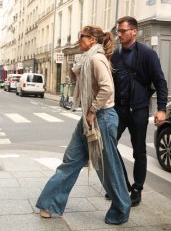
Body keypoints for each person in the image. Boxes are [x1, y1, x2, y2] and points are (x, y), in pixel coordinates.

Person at [36, 25, 131, 225]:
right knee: (70, 161)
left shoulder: (96, 59)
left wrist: (92, 110)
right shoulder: (86, 60)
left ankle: (122, 208)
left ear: (92, 40)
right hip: (88, 120)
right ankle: (50, 203)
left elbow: (107, 88)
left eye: (82, 37)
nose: (79, 39)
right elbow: (81, 80)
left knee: (108, 167)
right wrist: (76, 71)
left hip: (102, 118)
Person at [108, 16, 168, 207]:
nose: (119, 34)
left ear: (134, 31)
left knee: (139, 151)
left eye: (123, 31)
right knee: (108, 145)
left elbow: (160, 81)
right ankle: (121, 184)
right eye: (118, 31)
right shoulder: (116, 54)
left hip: (138, 110)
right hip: (118, 109)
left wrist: (160, 109)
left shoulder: (147, 53)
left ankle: (137, 189)